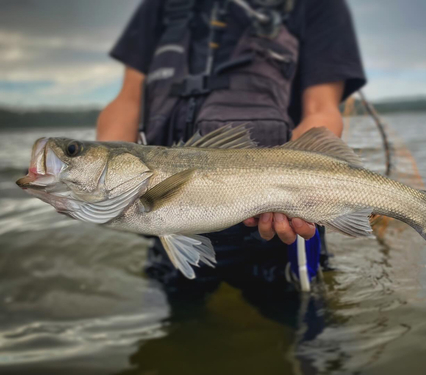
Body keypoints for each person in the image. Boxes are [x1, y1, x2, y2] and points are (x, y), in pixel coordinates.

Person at [97, 0, 366, 292]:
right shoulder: (159, 6)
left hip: (274, 222)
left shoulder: (318, 6)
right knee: (183, 315)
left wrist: (299, 184)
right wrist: (100, 180)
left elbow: (321, 107)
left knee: (292, 323)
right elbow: (129, 98)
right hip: (164, 216)